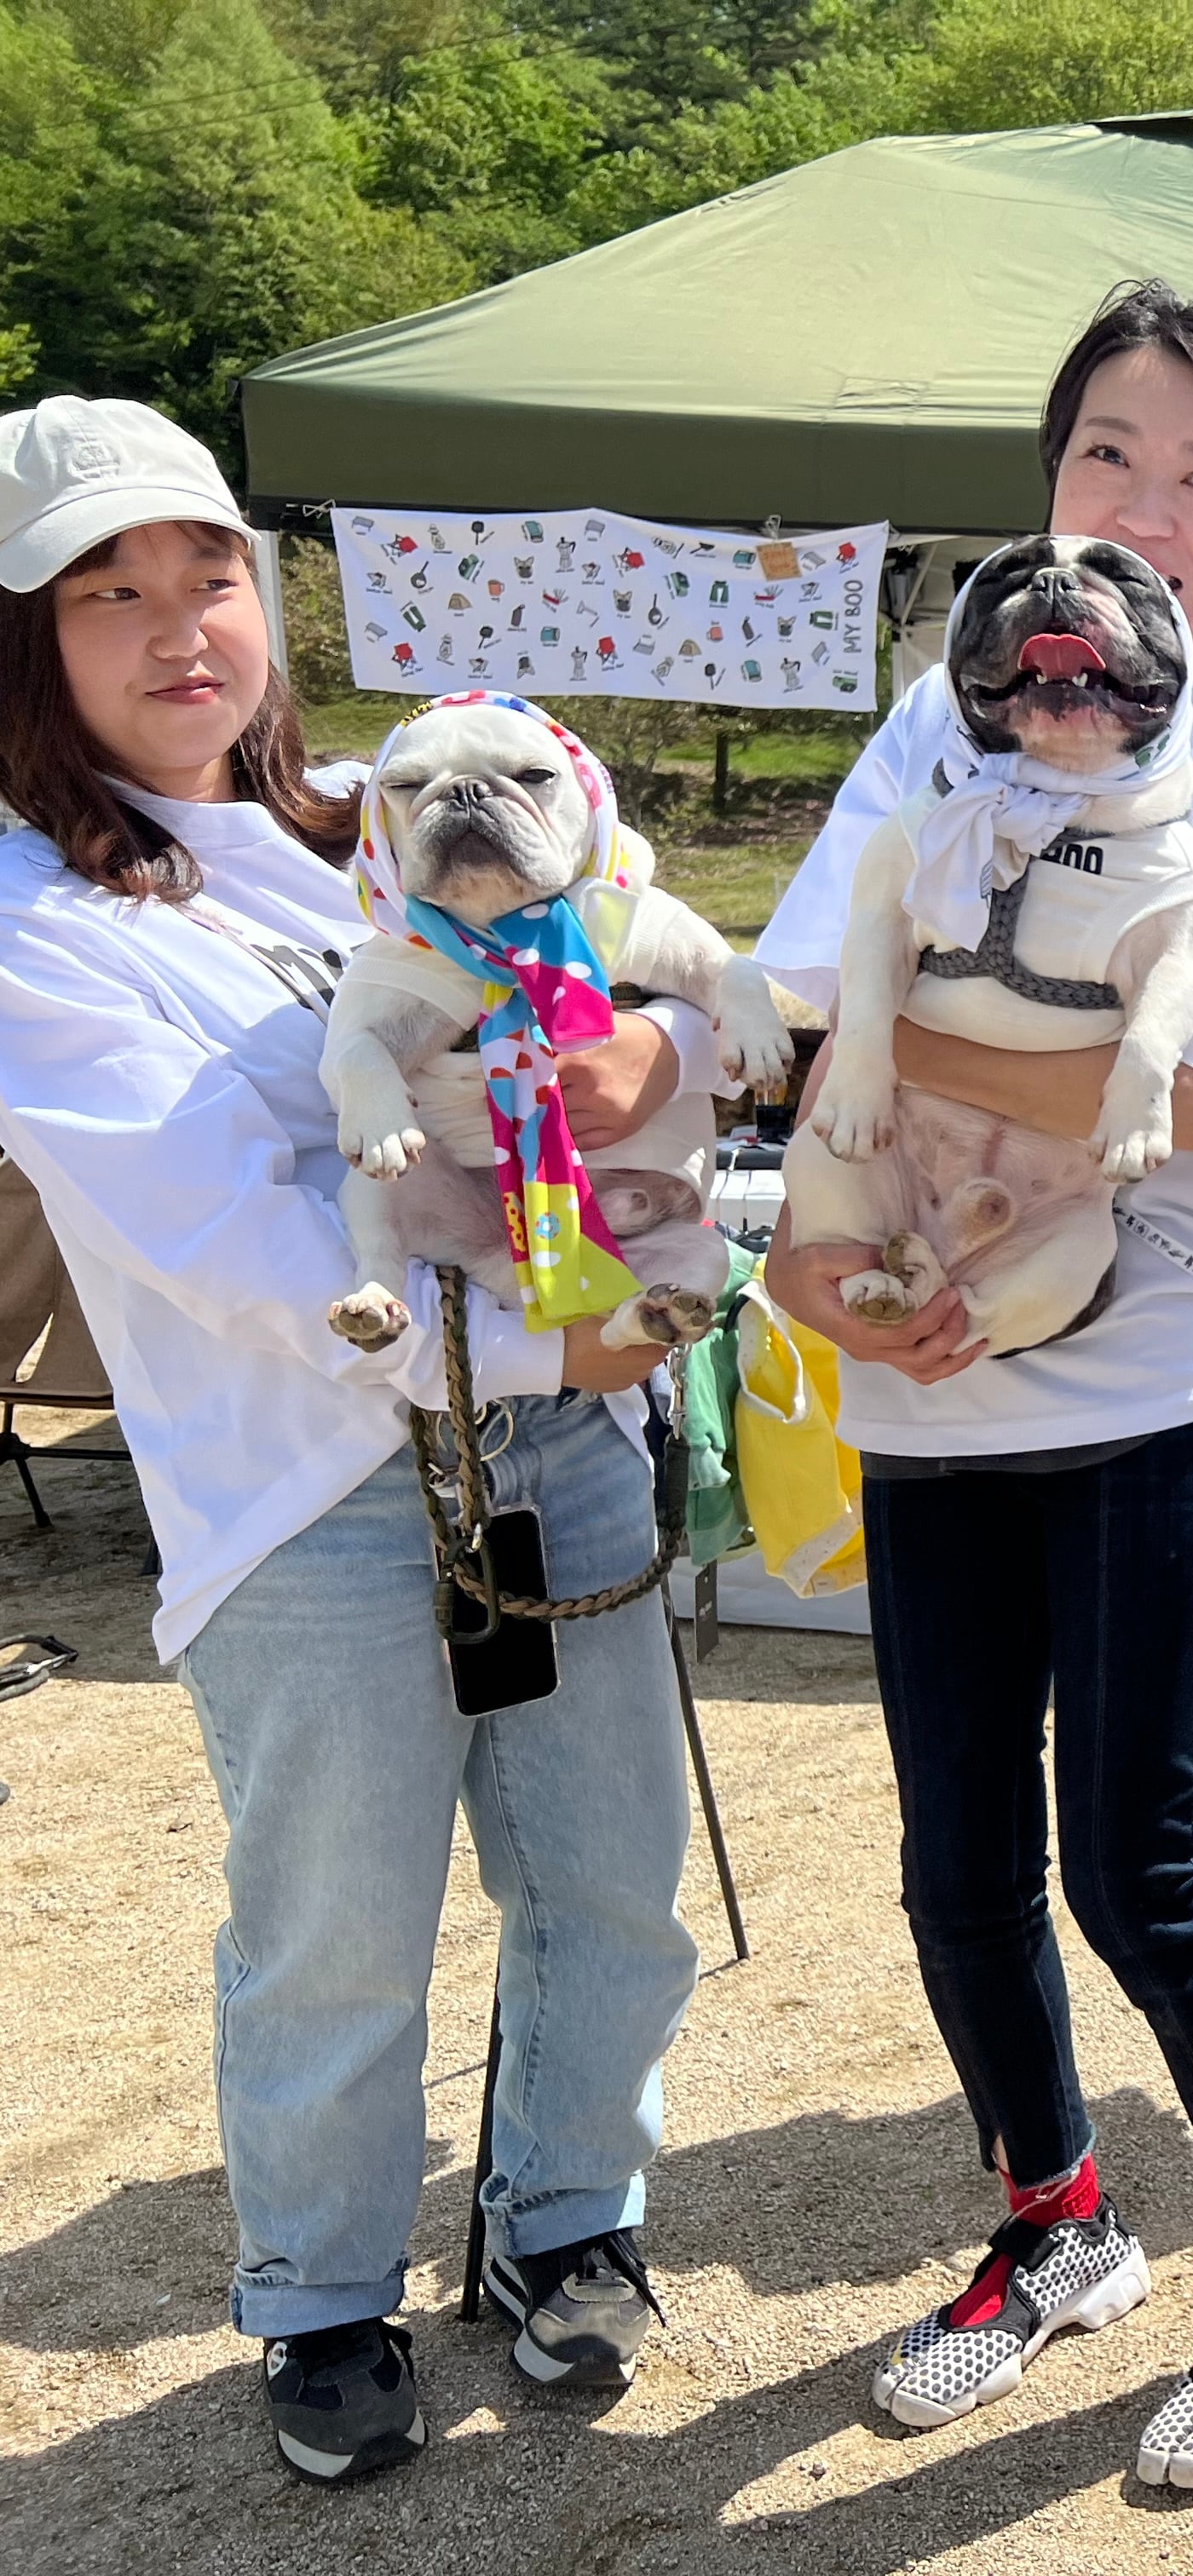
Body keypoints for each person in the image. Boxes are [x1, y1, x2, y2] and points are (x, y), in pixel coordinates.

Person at [0, 399, 703, 2480]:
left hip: (558, 1452)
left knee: (611, 1877)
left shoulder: (374, 830)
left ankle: (566, 2216)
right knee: (338, 1930)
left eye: (207, 573)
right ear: (25, 642)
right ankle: (319, 2293)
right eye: (104, 593)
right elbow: (237, 1245)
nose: (176, 628)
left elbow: (632, 992)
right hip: (309, 1499)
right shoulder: (35, 918)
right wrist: (558, 1346)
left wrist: (657, 1060)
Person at [755, 281, 1193, 2490]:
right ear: (1044, 488)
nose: (1148, 507)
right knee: (956, 1867)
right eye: (1109, 453)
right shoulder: (945, 717)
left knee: (1136, 1867)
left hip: (1168, 1373)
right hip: (925, 1378)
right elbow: (807, 1011)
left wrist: (909, 1058)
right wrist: (825, 1264)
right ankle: (1055, 2216)